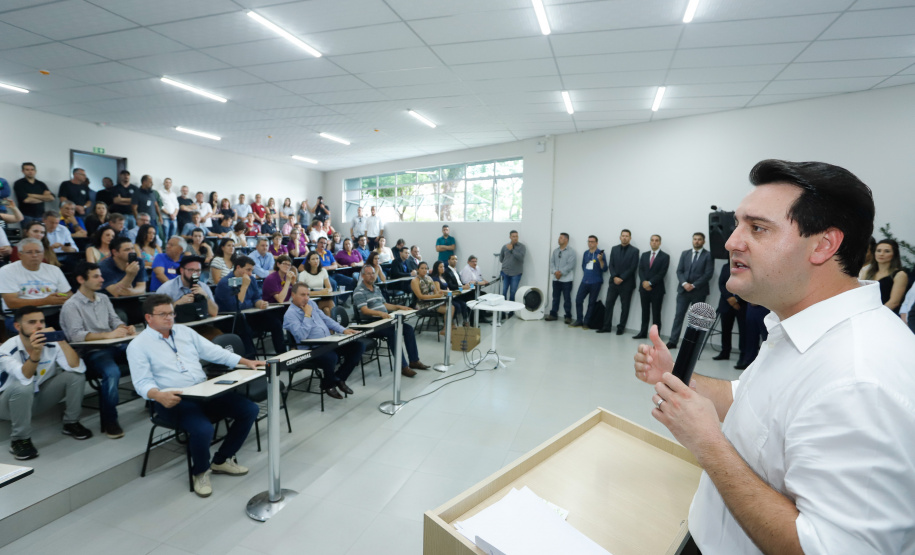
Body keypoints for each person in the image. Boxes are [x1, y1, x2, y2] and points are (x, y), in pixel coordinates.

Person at [634, 159, 915, 555]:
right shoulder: (797, 326)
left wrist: (707, 443)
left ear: (823, 245)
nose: (731, 242)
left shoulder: (860, 379)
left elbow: (829, 547)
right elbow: (750, 400)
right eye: (737, 224)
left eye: (758, 228)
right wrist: (682, 379)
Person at [127, 294, 263, 497]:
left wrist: (246, 361)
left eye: (171, 313)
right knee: (203, 429)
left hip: (202, 390)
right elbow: (141, 382)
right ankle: (200, 471)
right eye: (163, 314)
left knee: (249, 410)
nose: (169, 318)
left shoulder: (184, 332)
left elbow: (215, 352)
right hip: (171, 398)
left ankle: (221, 460)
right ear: (148, 317)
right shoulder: (138, 345)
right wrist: (157, 395)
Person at [1, 306, 90, 460]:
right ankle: (19, 439)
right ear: (17, 326)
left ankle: (71, 423)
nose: (39, 326)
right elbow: (25, 377)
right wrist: (36, 352)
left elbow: (78, 367)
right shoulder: (6, 349)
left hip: (35, 398)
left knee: (75, 376)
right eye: (32, 322)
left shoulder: (52, 344)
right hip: (6, 404)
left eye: (42, 321)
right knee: (23, 386)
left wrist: (61, 341)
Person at [60, 261, 137, 439]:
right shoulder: (71, 305)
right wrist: (108, 335)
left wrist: (124, 328)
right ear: (81, 279)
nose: (102, 279)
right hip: (91, 352)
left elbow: (115, 320)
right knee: (111, 372)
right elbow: (76, 336)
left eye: (101, 275)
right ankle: (110, 420)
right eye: (96, 276)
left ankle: (153, 401)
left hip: (114, 345)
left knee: (147, 354)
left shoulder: (103, 298)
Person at [284, 284, 364, 399]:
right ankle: (329, 385)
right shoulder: (290, 314)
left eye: (308, 295)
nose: (306, 298)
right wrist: (307, 315)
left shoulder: (311, 304)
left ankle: (338, 378)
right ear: (293, 295)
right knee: (331, 357)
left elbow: (326, 319)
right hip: (310, 348)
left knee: (358, 346)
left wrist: (343, 330)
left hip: (327, 342)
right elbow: (301, 336)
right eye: (302, 295)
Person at [354, 265, 429, 377]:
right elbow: (364, 310)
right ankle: (403, 366)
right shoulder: (359, 291)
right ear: (363, 275)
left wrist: (399, 307)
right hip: (371, 323)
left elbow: (385, 304)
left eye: (373, 273)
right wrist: (380, 313)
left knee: (408, 329)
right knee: (393, 333)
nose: (372, 276)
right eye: (368, 274)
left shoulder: (376, 288)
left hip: (384, 320)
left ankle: (414, 361)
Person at [214, 255, 286, 358]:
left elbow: (256, 298)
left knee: (275, 322)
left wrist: (260, 303)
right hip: (230, 319)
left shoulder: (251, 279)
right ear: (238, 267)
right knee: (244, 327)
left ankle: (283, 354)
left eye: (252, 270)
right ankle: (251, 359)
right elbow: (235, 307)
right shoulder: (225, 283)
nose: (250, 273)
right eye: (248, 270)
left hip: (249, 315)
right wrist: (244, 286)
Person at [0, 238, 72, 333]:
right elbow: (11, 302)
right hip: (21, 316)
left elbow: (69, 294)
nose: (34, 255)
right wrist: (45, 301)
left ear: (43, 253)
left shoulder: (54, 270)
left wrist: (61, 297)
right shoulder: (7, 271)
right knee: (41, 335)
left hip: (53, 314)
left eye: (38, 252)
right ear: (20, 255)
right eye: (29, 252)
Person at [666, 232, 713, 349]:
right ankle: (673, 341)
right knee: (678, 316)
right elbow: (679, 271)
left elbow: (708, 274)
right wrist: (684, 283)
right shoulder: (685, 253)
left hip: (698, 291)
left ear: (703, 241)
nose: (697, 241)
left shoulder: (708, 255)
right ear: (692, 240)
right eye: (695, 239)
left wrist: (694, 285)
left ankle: (691, 343)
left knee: (696, 319)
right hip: (683, 291)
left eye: (699, 239)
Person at [598, 229, 639, 335]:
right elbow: (611, 264)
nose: (624, 238)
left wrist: (622, 278)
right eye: (623, 236)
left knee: (625, 307)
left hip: (627, 283)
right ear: (620, 237)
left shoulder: (635, 251)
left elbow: (633, 267)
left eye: (627, 236)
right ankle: (606, 326)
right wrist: (615, 277)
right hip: (613, 282)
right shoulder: (614, 248)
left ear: (630, 238)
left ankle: (621, 328)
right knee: (609, 303)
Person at [157, 255, 219, 320]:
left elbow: (214, 312)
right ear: (181, 270)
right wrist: (178, 303)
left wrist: (206, 296)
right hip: (176, 324)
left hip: (200, 323)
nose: (195, 273)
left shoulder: (203, 287)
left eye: (198, 270)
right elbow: (158, 314)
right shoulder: (166, 288)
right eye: (191, 270)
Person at [633, 234, 670, 339]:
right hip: (644, 288)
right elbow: (641, 270)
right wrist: (644, 282)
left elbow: (662, 273)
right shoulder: (644, 255)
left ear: (660, 243)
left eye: (656, 240)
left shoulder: (665, 256)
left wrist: (650, 283)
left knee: (656, 313)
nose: (654, 242)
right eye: (652, 240)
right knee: (645, 312)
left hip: (657, 289)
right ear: (650, 242)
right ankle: (643, 332)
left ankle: (655, 335)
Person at [861, 239, 908, 314]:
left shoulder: (900, 274)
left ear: (894, 254)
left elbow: (894, 302)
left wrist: (875, 315)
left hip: (886, 314)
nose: (881, 254)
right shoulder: (868, 272)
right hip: (866, 312)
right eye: (878, 251)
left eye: (887, 251)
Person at [711, 261, 746, 362]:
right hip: (726, 303)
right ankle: (725, 352)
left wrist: (737, 299)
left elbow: (747, 284)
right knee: (726, 329)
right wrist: (729, 298)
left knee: (743, 330)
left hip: (741, 304)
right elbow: (721, 284)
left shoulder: (746, 267)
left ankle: (743, 355)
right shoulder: (726, 266)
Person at [570, 235, 604, 328]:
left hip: (596, 282)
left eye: (592, 242)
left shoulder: (600, 253)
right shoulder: (586, 253)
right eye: (589, 241)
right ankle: (579, 320)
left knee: (591, 303)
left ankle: (586, 322)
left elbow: (604, 268)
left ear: (596, 243)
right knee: (578, 300)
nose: (590, 243)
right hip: (585, 281)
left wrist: (601, 260)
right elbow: (583, 266)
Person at [412, 261, 453, 334]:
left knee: (451, 307)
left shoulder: (429, 278)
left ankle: (447, 328)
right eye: (422, 268)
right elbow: (420, 296)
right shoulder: (415, 280)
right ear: (418, 269)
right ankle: (446, 330)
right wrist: (435, 296)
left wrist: (440, 293)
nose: (424, 270)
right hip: (423, 304)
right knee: (449, 309)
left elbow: (435, 291)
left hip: (433, 301)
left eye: (426, 268)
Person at [546, 232, 577, 324]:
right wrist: (555, 272)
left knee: (567, 299)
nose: (559, 239)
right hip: (556, 279)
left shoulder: (571, 251)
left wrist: (561, 273)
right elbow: (552, 263)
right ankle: (553, 315)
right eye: (559, 238)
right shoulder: (555, 251)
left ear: (566, 240)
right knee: (555, 298)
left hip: (566, 280)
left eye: (561, 238)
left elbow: (570, 265)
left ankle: (568, 316)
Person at [297, 251, 335, 316]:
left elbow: (329, 287)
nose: (316, 261)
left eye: (317, 258)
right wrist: (320, 292)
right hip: (309, 300)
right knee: (330, 303)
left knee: (327, 310)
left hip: (322, 298)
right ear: (309, 261)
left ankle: (330, 322)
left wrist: (327, 290)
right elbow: (301, 292)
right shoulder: (303, 274)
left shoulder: (323, 271)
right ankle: (335, 322)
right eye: (313, 259)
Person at [436, 259, 471, 326]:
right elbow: (447, 287)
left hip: (450, 295)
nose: (443, 268)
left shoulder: (447, 275)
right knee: (457, 305)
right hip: (444, 298)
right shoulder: (442, 275)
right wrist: (461, 287)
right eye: (441, 267)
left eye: (443, 267)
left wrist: (464, 286)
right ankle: (451, 323)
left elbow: (450, 286)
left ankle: (465, 322)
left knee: (464, 304)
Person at [499, 230, 526, 301]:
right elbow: (501, 259)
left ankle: (511, 307)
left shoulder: (522, 247)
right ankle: (503, 307)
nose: (515, 238)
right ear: (510, 237)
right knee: (504, 291)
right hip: (505, 272)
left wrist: (512, 250)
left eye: (516, 236)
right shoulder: (505, 247)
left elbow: (521, 258)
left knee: (513, 292)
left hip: (516, 273)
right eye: (513, 236)